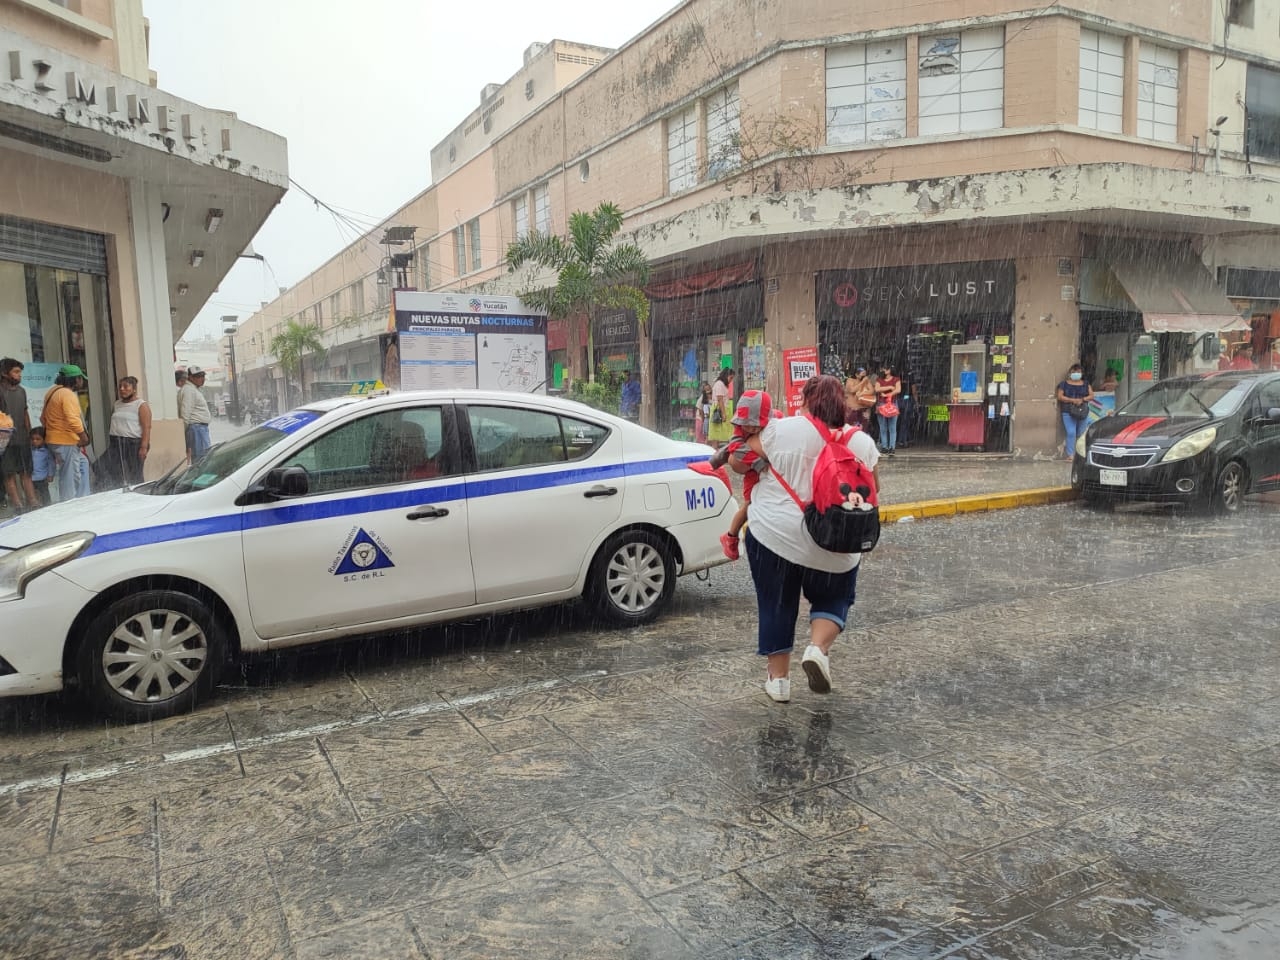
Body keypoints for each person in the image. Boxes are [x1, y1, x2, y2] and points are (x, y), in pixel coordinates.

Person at [741, 375, 880, 703]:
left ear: (805, 400)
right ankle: (817, 649)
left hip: (775, 535)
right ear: (841, 404)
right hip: (835, 539)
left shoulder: (783, 429)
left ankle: (779, 682)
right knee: (834, 596)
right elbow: (874, 489)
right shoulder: (861, 442)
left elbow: (739, 460)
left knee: (777, 602)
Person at [710, 390, 773, 561]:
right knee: (749, 504)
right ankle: (731, 536)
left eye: (757, 424)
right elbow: (735, 447)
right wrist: (758, 462)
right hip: (751, 474)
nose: (752, 428)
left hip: (761, 473)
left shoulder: (772, 425)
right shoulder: (738, 433)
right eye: (749, 424)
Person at [40, 363, 92, 501]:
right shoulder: (67, 394)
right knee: (69, 476)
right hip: (65, 440)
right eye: (80, 378)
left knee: (82, 463)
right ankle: (69, 504)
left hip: (55, 439)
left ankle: (83, 499)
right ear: (75, 379)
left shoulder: (52, 392)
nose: (82, 381)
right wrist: (83, 436)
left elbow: (42, 418)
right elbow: (73, 419)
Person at [0, 358, 39, 513]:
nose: (19, 375)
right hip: (4, 441)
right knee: (9, 474)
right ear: (4, 373)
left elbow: (24, 413)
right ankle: (18, 506)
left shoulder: (22, 391)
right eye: (16, 372)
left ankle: (33, 502)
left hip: (22, 437)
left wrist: (29, 433)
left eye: (20, 372)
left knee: (26, 472)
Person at [106, 376, 152, 485]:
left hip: (133, 443)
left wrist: (143, 447)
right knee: (112, 470)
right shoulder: (117, 404)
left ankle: (139, 494)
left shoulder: (141, 405)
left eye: (126, 387)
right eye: (120, 387)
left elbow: (146, 427)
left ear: (134, 389)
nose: (122, 389)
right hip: (116, 443)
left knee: (135, 474)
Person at [1056, 362, 1094, 460]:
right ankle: (1070, 454)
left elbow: (1091, 396)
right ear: (1070, 373)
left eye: (1078, 371)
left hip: (1082, 411)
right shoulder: (1063, 384)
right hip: (1068, 411)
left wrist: (1082, 399)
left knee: (1081, 433)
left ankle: (1080, 453)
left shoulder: (1086, 384)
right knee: (1071, 432)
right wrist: (1072, 400)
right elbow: (1060, 396)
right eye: (1074, 371)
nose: (1076, 373)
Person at [178, 365, 213, 463]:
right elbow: (185, 414)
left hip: (199, 429)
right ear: (190, 377)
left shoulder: (192, 389)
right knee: (201, 461)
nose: (202, 379)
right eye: (198, 376)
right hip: (196, 429)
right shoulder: (189, 390)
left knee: (202, 459)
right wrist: (184, 434)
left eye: (202, 376)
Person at [874, 363, 902, 456]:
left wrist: (886, 394)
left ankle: (891, 447)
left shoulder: (896, 379)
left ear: (890, 370)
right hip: (883, 403)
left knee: (892, 427)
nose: (884, 370)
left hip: (892, 403)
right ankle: (885, 446)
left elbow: (898, 390)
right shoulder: (879, 379)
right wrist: (890, 387)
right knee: (883, 427)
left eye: (886, 368)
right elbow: (876, 389)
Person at [708, 368, 736, 445]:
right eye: (731, 378)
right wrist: (723, 414)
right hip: (720, 410)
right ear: (726, 376)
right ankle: (715, 448)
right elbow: (720, 400)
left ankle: (717, 448)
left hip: (723, 409)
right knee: (717, 432)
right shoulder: (720, 384)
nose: (731, 380)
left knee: (720, 432)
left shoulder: (722, 384)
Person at [28, 427, 52, 506]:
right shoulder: (29, 451)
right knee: (33, 496)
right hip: (31, 479)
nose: (34, 441)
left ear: (44, 440)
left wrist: (50, 475)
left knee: (45, 495)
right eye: (32, 439)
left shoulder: (47, 451)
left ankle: (48, 507)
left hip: (42, 478)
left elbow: (51, 464)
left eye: (38, 439)